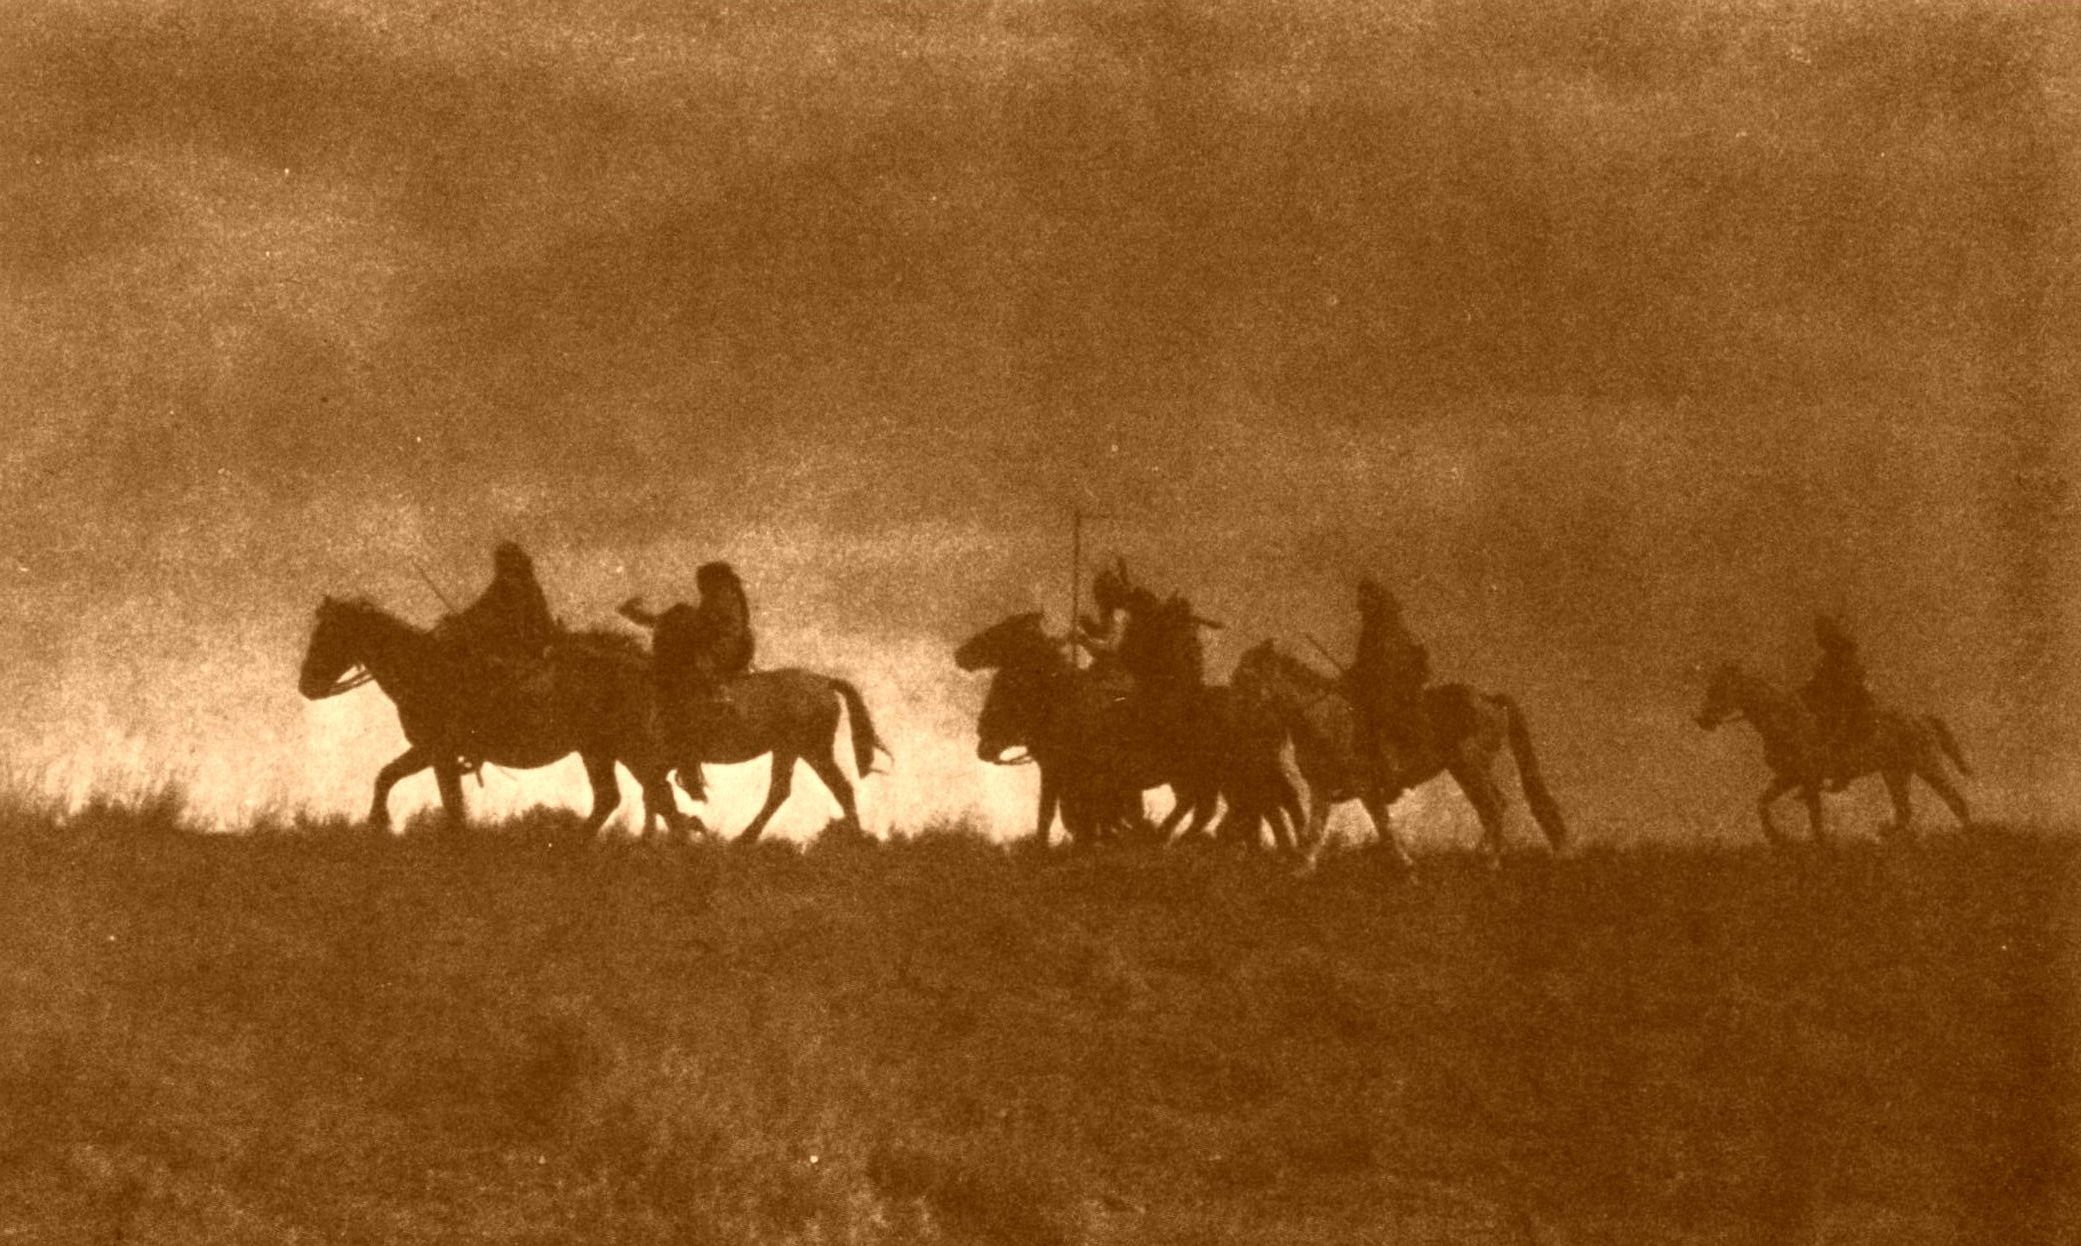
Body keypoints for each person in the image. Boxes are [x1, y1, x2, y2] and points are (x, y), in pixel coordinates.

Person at [620, 561, 758, 798]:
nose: (699, 587)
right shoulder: (720, 595)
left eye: (702, 582)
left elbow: (707, 626)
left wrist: (675, 620)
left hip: (724, 650)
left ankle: (713, 700)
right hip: (717, 646)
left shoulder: (723, 595)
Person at [1342, 578, 1432, 784]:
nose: (1364, 602)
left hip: (1400, 678)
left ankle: (1401, 758)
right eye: (1362, 598)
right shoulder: (1370, 626)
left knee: (1382, 709)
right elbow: (1364, 659)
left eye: (1368, 597)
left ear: (1377, 599)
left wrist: (1365, 675)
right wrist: (1350, 675)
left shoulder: (1388, 623)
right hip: (1382, 678)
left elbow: (1388, 658)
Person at [436, 541, 557, 672]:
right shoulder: (502, 586)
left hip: (522, 651)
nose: (501, 569)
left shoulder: (526, 588)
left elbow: (541, 621)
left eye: (504, 563)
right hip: (519, 649)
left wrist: (462, 622)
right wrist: (460, 620)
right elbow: (480, 608)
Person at [1801, 614, 1874, 789]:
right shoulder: (1826, 658)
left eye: (1821, 634)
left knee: (1839, 729)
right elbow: (1815, 682)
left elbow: (1852, 681)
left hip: (1854, 702)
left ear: (1830, 634)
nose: (1818, 639)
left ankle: (1842, 773)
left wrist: (1830, 695)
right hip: (1835, 701)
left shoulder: (1844, 653)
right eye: (1817, 634)